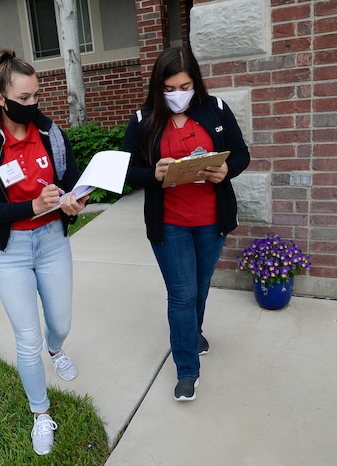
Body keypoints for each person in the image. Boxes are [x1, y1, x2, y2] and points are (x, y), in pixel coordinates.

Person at [0, 49, 88, 455]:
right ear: (1, 98)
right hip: (10, 251)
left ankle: (57, 347)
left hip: (52, 242)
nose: (34, 104)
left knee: (60, 322)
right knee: (27, 338)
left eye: (37, 95)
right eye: (25, 98)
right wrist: (32, 206)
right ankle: (40, 413)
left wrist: (74, 201)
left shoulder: (50, 135)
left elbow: (72, 181)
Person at [123, 46, 250, 401]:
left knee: (200, 285)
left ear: (196, 82)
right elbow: (127, 172)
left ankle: (193, 332)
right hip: (170, 223)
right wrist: (153, 173)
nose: (177, 95)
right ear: (157, 87)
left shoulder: (216, 110)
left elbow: (242, 153)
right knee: (181, 294)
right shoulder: (143, 120)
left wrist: (226, 170)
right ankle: (187, 370)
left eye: (184, 86)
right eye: (169, 89)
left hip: (211, 220)